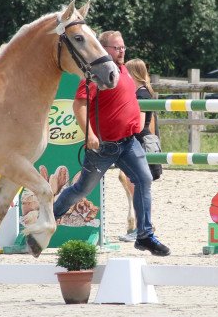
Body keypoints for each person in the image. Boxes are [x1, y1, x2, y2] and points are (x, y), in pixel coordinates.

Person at [53, 30, 170, 256]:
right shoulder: (97, 75)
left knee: (144, 179)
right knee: (80, 190)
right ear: (104, 49)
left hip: (128, 143)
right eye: (117, 48)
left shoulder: (125, 71)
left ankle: (144, 235)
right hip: (103, 147)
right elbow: (79, 105)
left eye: (123, 47)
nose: (122, 51)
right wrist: (89, 134)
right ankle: (50, 216)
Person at [117, 58, 163, 242]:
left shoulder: (142, 94)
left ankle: (143, 227)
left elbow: (139, 122)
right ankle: (140, 226)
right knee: (134, 185)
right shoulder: (140, 91)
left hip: (138, 141)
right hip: (136, 140)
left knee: (137, 186)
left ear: (132, 73)